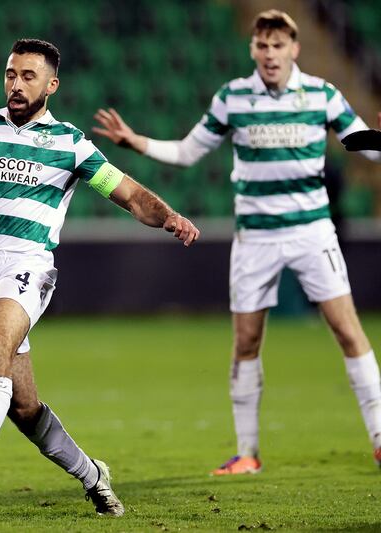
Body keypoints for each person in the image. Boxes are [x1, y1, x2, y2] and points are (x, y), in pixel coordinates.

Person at [0, 38, 200, 516]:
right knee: (23, 406)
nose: (16, 84)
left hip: (27, 264)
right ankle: (94, 475)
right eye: (11, 74)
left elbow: (130, 195)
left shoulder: (69, 144)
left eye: (28, 76)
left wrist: (170, 216)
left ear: (51, 84)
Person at [92, 10, 381, 475]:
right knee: (246, 341)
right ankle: (247, 452)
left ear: (294, 49)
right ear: (253, 50)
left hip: (311, 232)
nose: (270, 54)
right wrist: (137, 142)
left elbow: (363, 144)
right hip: (256, 238)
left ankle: (380, 436)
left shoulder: (323, 94)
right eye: (262, 45)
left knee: (348, 330)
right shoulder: (233, 98)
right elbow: (188, 151)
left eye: (278, 45)